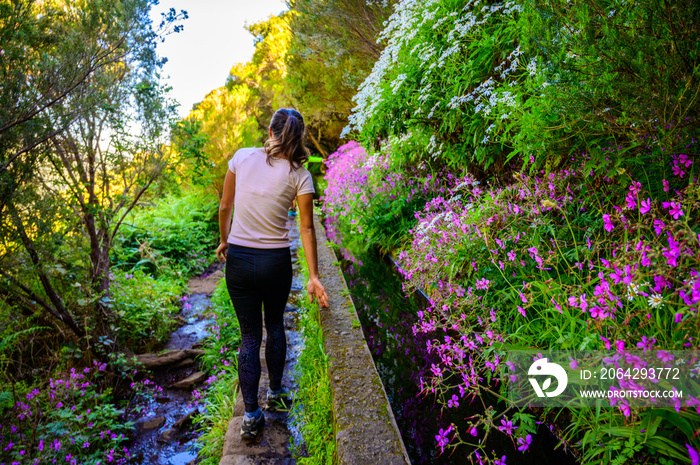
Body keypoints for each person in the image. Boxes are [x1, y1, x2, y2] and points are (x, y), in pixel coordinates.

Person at [216, 108, 329, 440]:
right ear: (300, 136)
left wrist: (225, 241)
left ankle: (250, 417)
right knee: (275, 324)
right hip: (274, 262)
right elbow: (306, 228)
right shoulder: (300, 174)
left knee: (249, 337)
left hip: (238, 260)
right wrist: (314, 276)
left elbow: (225, 206)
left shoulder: (241, 157)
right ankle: (276, 392)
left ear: (270, 130)